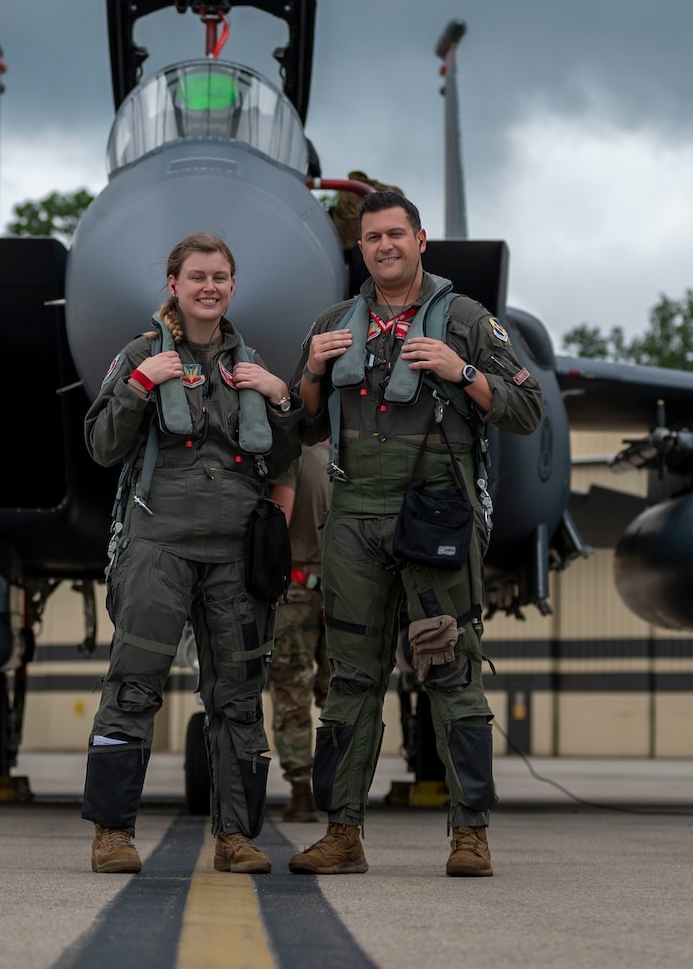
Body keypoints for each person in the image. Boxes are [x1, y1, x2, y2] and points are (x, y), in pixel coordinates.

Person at [286, 190, 543, 879]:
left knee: (449, 667)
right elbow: (299, 428)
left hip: (435, 516)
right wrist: (310, 370)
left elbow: (526, 406)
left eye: (396, 234)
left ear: (420, 239)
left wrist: (462, 371)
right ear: (360, 247)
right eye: (372, 237)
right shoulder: (335, 322)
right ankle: (342, 832)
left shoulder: (464, 320)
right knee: (351, 679)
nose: (384, 246)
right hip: (354, 519)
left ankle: (470, 834)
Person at [81, 232, 302, 875]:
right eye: (197, 276)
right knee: (133, 686)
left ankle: (236, 837)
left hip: (235, 552)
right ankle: (113, 832)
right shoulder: (139, 356)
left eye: (221, 277)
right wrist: (140, 386)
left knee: (238, 695)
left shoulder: (252, 365)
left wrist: (282, 398)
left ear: (233, 286)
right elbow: (100, 444)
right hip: (159, 545)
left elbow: (285, 457)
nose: (210, 287)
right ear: (174, 285)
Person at [269, 442, 333, 821]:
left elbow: (280, 519)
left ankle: (301, 792)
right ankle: (341, 788)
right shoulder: (348, 455)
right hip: (340, 594)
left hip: (294, 593)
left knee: (292, 694)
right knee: (339, 695)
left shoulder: (294, 456)